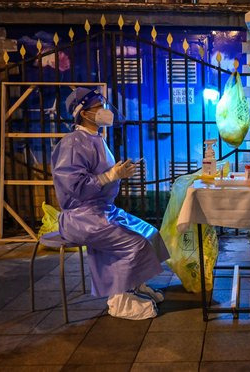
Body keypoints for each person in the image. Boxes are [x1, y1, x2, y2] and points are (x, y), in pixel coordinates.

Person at [51, 87, 170, 320]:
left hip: (103, 210)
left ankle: (134, 284)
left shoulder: (95, 138)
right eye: (98, 107)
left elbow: (102, 175)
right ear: (84, 113)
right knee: (133, 243)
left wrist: (119, 173)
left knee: (150, 233)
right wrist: (109, 177)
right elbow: (72, 186)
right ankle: (120, 300)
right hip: (81, 216)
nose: (105, 111)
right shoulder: (74, 142)